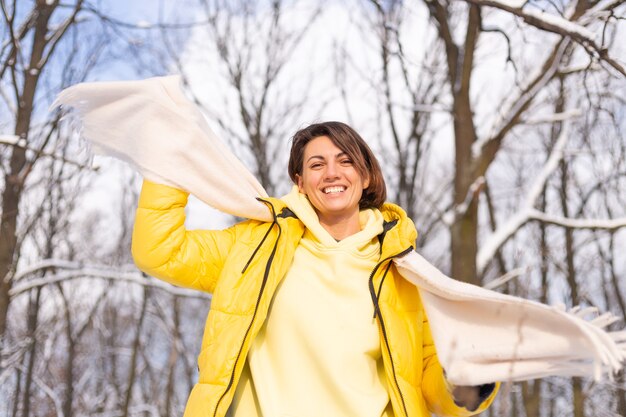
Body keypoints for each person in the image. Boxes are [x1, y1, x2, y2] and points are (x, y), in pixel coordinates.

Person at [131, 121, 498, 417]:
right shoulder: (255, 248)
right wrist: (168, 163)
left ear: (366, 175)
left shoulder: (404, 272)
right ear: (300, 182)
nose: (331, 173)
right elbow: (160, 251)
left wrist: (469, 378)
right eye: (316, 165)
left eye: (345, 161)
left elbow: (429, 385)